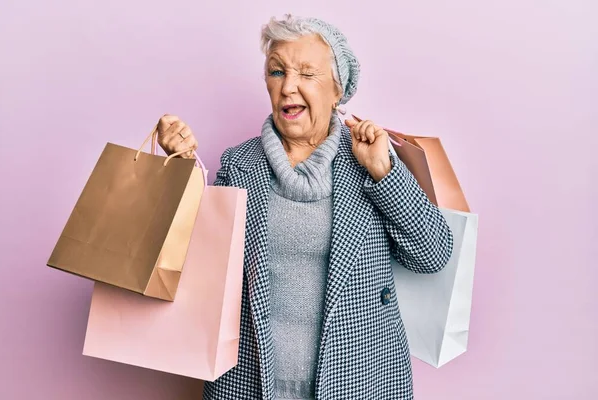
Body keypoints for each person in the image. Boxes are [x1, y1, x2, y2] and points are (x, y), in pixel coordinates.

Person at [157, 14, 453, 400]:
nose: (288, 87)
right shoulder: (238, 164)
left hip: (361, 385)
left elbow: (433, 254)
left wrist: (384, 173)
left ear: (338, 90)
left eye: (306, 74)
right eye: (277, 72)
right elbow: (197, 270)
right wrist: (180, 171)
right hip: (249, 384)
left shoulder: (368, 160)